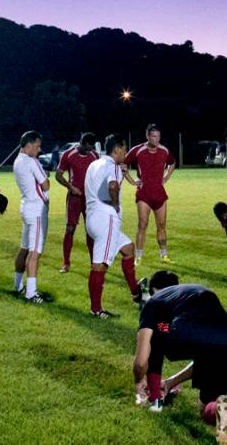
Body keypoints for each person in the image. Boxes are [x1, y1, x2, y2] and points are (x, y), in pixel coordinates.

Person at [133, 271, 227, 444]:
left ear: (153, 291)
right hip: (226, 338)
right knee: (206, 408)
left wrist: (138, 380)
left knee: (155, 335)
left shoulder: (154, 303)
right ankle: (220, 414)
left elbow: (142, 360)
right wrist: (171, 382)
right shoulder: (190, 291)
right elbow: (204, 356)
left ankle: (155, 399)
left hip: (190, 332)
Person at [84, 134, 146, 318]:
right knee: (99, 265)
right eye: (124, 149)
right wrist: (115, 204)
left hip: (92, 218)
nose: (125, 153)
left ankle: (136, 293)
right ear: (117, 149)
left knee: (128, 248)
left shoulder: (94, 163)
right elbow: (112, 186)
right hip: (106, 220)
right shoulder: (113, 166)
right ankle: (96, 310)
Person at [125, 124, 177, 265]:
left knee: (161, 226)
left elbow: (172, 163)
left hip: (160, 194)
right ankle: (138, 257)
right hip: (144, 195)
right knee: (143, 225)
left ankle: (164, 255)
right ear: (147, 136)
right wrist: (131, 181)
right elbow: (123, 165)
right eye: (154, 136)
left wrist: (166, 177)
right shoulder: (137, 150)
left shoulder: (164, 150)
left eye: (159, 136)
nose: (157, 139)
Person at [13, 130, 50, 303]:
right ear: (28, 145)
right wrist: (43, 174)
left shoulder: (18, 160)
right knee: (35, 252)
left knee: (24, 248)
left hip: (26, 206)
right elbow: (46, 185)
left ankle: (18, 285)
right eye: (37, 146)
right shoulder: (31, 161)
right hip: (36, 209)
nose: (39, 149)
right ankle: (31, 293)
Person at [55, 133, 99, 273]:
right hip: (74, 197)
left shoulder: (95, 156)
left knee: (91, 230)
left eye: (91, 148)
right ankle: (66, 263)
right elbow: (58, 175)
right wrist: (71, 187)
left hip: (90, 199)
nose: (89, 151)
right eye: (86, 148)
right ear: (81, 143)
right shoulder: (68, 154)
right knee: (70, 229)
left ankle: (94, 263)